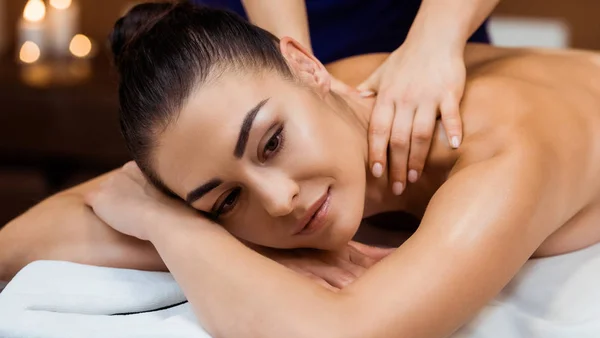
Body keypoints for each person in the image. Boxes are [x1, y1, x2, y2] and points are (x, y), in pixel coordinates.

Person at [2, 2, 600, 338]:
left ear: (307, 67)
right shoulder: (307, 98)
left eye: (273, 142)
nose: (281, 200)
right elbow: (52, 224)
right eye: (226, 201)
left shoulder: (506, 152)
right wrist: (161, 209)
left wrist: (169, 223)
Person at [196, 0, 499, 195]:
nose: (280, 203)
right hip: (243, 59)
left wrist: (434, 41)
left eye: (273, 143)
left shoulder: (491, 152)